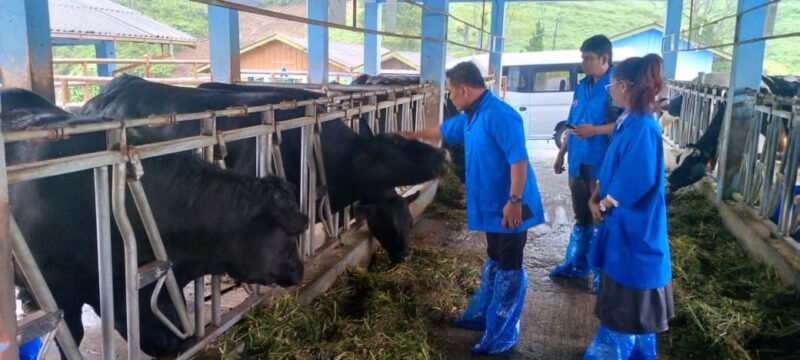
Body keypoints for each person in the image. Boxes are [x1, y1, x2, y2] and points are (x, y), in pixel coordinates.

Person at [399, 61, 545, 354]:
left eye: (451, 92)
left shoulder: (502, 116)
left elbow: (519, 161)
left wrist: (514, 203)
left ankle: (502, 332)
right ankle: (486, 316)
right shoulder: (471, 114)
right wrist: (412, 136)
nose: (450, 97)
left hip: (512, 205)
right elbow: (443, 130)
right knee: (495, 257)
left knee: (509, 264)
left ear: (464, 89)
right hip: (493, 206)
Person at [584, 54, 674, 359]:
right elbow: (613, 167)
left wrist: (605, 204)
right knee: (626, 313)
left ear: (623, 85)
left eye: (612, 83)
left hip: (635, 234)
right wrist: (595, 194)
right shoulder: (628, 121)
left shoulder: (644, 128)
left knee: (628, 311)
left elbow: (636, 180)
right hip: (621, 229)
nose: (609, 89)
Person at [551, 35, 620, 285]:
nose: (584, 63)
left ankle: (604, 277)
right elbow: (572, 122)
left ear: (604, 58)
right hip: (578, 161)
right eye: (582, 57)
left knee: (602, 217)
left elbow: (624, 125)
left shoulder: (616, 86)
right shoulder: (582, 86)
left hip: (601, 163)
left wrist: (596, 130)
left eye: (588, 58)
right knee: (582, 217)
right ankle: (578, 264)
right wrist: (561, 153)